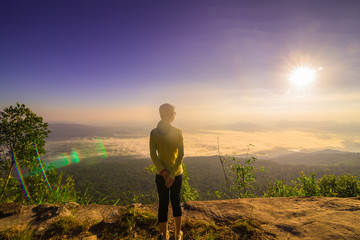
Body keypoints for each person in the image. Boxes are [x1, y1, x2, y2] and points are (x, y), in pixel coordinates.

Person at [150, 103, 184, 240]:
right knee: (176, 202)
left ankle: (164, 236)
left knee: (163, 204)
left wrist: (163, 173)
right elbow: (181, 155)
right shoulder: (178, 132)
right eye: (175, 113)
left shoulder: (153, 133)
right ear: (171, 115)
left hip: (161, 175)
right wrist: (171, 174)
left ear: (160, 114)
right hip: (176, 174)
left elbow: (153, 155)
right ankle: (177, 235)